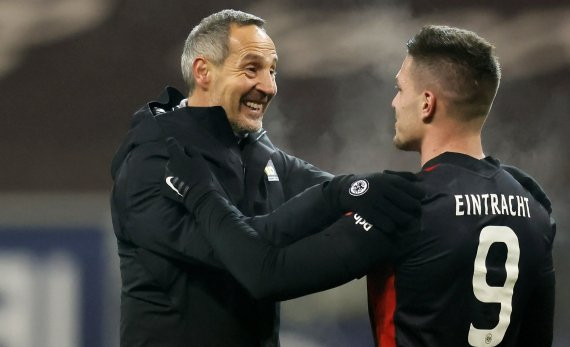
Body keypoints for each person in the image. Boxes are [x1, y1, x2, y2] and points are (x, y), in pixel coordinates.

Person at [164, 25, 556, 346]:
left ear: (426, 103)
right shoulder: (535, 208)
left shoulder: (407, 206)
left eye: (400, 89)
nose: (393, 103)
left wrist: (200, 190)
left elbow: (267, 273)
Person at [109, 9, 423, 347]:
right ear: (203, 72)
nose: (268, 86)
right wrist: (342, 193)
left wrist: (417, 195)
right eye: (251, 69)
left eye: (272, 70)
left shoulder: (254, 150)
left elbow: (333, 190)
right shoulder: (155, 164)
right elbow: (250, 255)